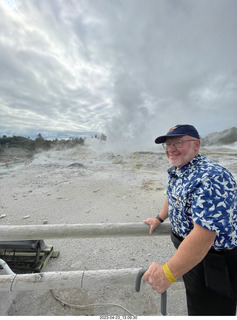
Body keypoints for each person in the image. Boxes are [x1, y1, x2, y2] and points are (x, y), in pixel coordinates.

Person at [143, 124, 237, 316]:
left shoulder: (211, 177)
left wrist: (167, 273)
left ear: (197, 145)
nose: (171, 149)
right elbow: (172, 196)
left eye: (177, 142)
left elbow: (204, 236)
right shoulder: (180, 170)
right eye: (168, 144)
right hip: (192, 256)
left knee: (211, 311)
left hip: (214, 262)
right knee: (196, 304)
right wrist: (159, 218)